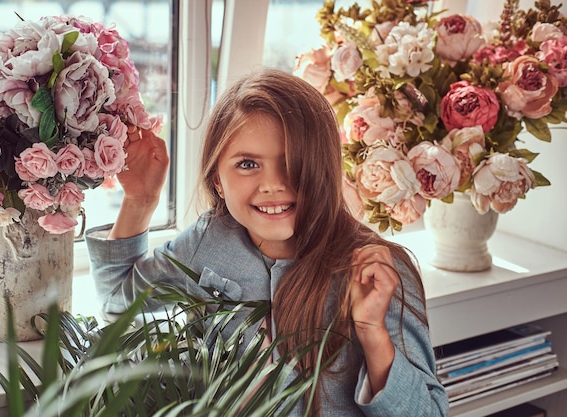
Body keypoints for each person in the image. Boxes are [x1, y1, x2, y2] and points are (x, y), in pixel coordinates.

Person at [86, 68, 449, 416]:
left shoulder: (376, 273)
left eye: (293, 160)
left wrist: (373, 334)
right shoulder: (206, 242)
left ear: (324, 167)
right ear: (217, 178)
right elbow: (120, 302)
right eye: (247, 164)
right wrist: (141, 201)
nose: (273, 184)